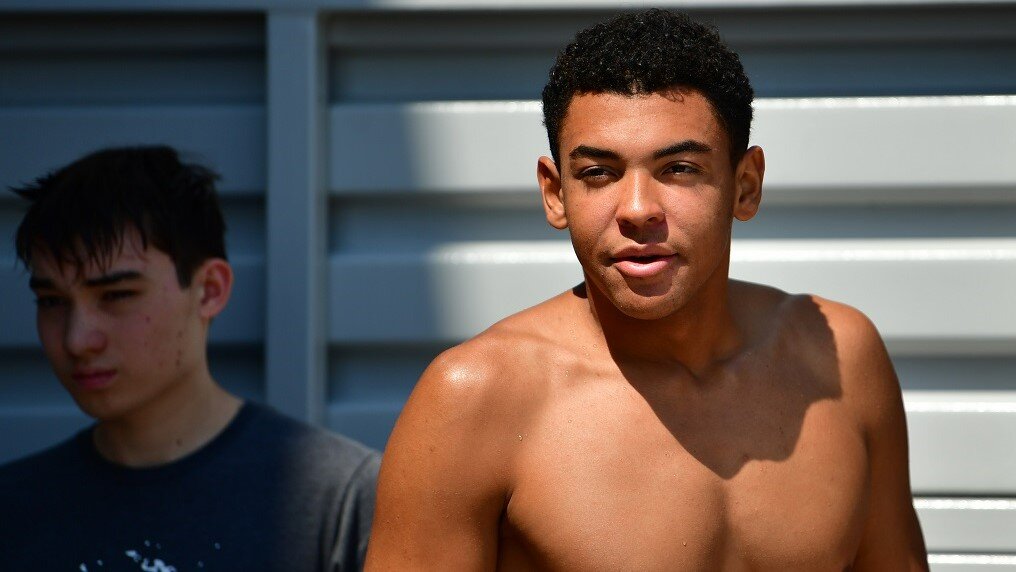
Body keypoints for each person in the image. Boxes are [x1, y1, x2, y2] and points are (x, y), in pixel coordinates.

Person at [367, 9, 927, 571]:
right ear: (555, 194)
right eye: (598, 173)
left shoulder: (840, 360)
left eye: (679, 168)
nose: (637, 210)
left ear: (746, 186)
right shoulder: (476, 399)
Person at [0, 146, 379, 571]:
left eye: (117, 295)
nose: (77, 340)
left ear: (209, 290)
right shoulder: (13, 511)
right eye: (51, 301)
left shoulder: (340, 501)